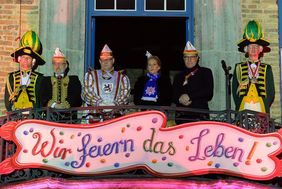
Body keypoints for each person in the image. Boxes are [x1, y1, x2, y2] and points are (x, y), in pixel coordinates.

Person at [232, 20, 275, 114]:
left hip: (260, 106)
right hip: (244, 105)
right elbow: (234, 90)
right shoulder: (238, 67)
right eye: (251, 47)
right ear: (246, 50)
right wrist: (239, 102)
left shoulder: (267, 68)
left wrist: (265, 103)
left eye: (256, 47)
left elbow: (271, 92)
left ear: (260, 50)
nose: (253, 49)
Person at [81, 44, 130, 120]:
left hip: (115, 118)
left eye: (108, 59)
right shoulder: (90, 75)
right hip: (95, 117)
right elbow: (86, 93)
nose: (105, 62)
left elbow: (125, 95)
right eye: (103, 59)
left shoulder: (122, 77)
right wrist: (99, 103)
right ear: (100, 61)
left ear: (113, 60)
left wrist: (115, 104)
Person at [173, 41, 214, 123]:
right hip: (181, 118)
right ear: (183, 59)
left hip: (200, 117)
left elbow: (208, 93)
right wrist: (180, 99)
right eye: (186, 57)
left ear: (197, 58)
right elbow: (173, 96)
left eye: (192, 57)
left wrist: (189, 96)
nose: (189, 60)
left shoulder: (205, 72)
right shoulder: (178, 76)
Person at [5, 31, 45, 111]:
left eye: (28, 58)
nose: (25, 60)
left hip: (33, 117)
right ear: (19, 59)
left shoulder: (40, 79)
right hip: (16, 116)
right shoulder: (11, 77)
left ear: (33, 61)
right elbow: (7, 99)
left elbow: (41, 101)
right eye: (23, 57)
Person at [42, 48, 82, 115]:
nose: (57, 66)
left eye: (60, 64)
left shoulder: (73, 80)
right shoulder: (46, 81)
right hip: (51, 117)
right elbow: (43, 97)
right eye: (55, 64)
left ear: (65, 66)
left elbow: (76, 97)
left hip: (69, 118)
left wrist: (64, 105)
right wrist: (54, 105)